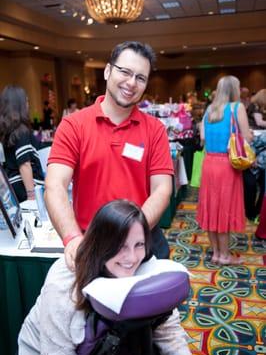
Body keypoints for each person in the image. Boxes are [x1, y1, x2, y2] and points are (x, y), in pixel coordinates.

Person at [16, 199, 206, 355]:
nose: (131, 258)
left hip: (111, 344)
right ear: (101, 244)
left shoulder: (146, 265)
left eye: (138, 244)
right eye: (121, 246)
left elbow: (167, 330)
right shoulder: (65, 281)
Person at [45, 41, 174, 270]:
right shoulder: (73, 125)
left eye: (141, 78)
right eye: (125, 71)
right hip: (91, 243)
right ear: (107, 71)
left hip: (142, 243)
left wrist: (131, 234)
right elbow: (55, 185)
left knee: (153, 305)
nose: (131, 83)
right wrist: (72, 238)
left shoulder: (155, 129)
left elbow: (162, 189)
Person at [196, 76, 253, 265]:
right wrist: (249, 135)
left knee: (212, 208)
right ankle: (225, 255)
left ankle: (216, 254)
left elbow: (203, 138)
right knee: (224, 210)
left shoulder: (209, 110)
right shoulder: (237, 108)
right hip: (227, 165)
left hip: (209, 163)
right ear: (234, 90)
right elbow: (246, 138)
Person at [0, 85, 44, 202]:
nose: (28, 104)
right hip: (26, 188)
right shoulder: (21, 130)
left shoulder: (8, 131)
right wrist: (31, 195)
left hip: (15, 187)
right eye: (26, 101)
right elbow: (24, 164)